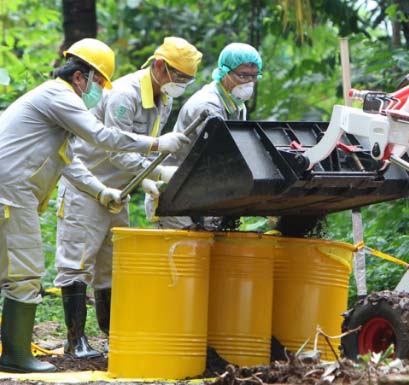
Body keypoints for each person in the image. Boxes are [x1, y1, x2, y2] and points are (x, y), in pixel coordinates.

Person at [0, 38, 190, 373]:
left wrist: (102, 192)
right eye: (99, 82)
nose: (100, 91)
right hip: (14, 192)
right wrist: (157, 145)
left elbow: (69, 161)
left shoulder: (59, 103)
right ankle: (18, 355)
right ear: (80, 77)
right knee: (27, 272)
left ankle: (16, 351)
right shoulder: (59, 96)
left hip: (17, 191)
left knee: (16, 270)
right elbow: (102, 137)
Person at [53, 37, 202, 359]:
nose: (181, 84)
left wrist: (147, 177)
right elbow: (116, 148)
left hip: (118, 192)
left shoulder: (164, 98)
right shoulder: (125, 93)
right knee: (76, 263)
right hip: (87, 186)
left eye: (187, 80)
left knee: (108, 268)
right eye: (179, 76)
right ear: (160, 66)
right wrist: (156, 174)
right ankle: (74, 340)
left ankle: (112, 334)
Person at [148, 42, 262, 229]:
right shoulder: (207, 105)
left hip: (203, 192)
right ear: (225, 72)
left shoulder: (236, 103)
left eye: (253, 76)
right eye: (242, 75)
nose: (248, 82)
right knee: (184, 255)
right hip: (178, 191)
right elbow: (223, 154)